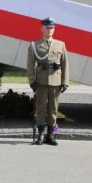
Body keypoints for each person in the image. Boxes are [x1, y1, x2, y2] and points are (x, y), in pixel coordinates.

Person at [26, 17, 69, 146]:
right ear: (42, 28)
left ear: (54, 29)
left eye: (51, 28)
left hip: (56, 81)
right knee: (40, 108)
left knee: (53, 110)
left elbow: (65, 64)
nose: (49, 30)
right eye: (47, 28)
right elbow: (30, 65)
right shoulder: (35, 45)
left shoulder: (60, 45)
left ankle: (51, 135)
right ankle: (40, 134)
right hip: (41, 81)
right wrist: (32, 81)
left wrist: (65, 81)